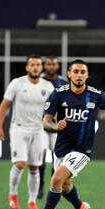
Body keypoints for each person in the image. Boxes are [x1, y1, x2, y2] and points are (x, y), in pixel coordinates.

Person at [27, 59, 105, 209]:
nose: (79, 75)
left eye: (82, 72)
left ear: (87, 75)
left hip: (82, 150)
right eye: (75, 71)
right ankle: (80, 207)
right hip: (61, 148)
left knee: (56, 180)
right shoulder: (58, 94)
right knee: (65, 186)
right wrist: (56, 126)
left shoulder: (95, 94)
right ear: (69, 74)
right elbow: (46, 121)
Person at [0, 55, 55, 209]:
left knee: (35, 167)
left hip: (38, 129)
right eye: (32, 65)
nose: (35, 67)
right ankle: (13, 194)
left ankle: (32, 200)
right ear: (27, 67)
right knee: (20, 164)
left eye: (37, 65)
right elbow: (4, 105)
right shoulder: (17, 83)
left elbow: (55, 107)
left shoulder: (48, 86)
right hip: (19, 128)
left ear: (41, 68)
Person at [38, 56, 69, 199]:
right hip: (40, 123)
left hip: (58, 124)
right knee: (42, 155)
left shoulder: (63, 82)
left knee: (56, 156)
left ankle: (54, 184)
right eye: (48, 64)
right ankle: (40, 185)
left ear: (57, 66)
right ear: (45, 66)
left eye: (53, 64)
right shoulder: (38, 81)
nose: (51, 66)